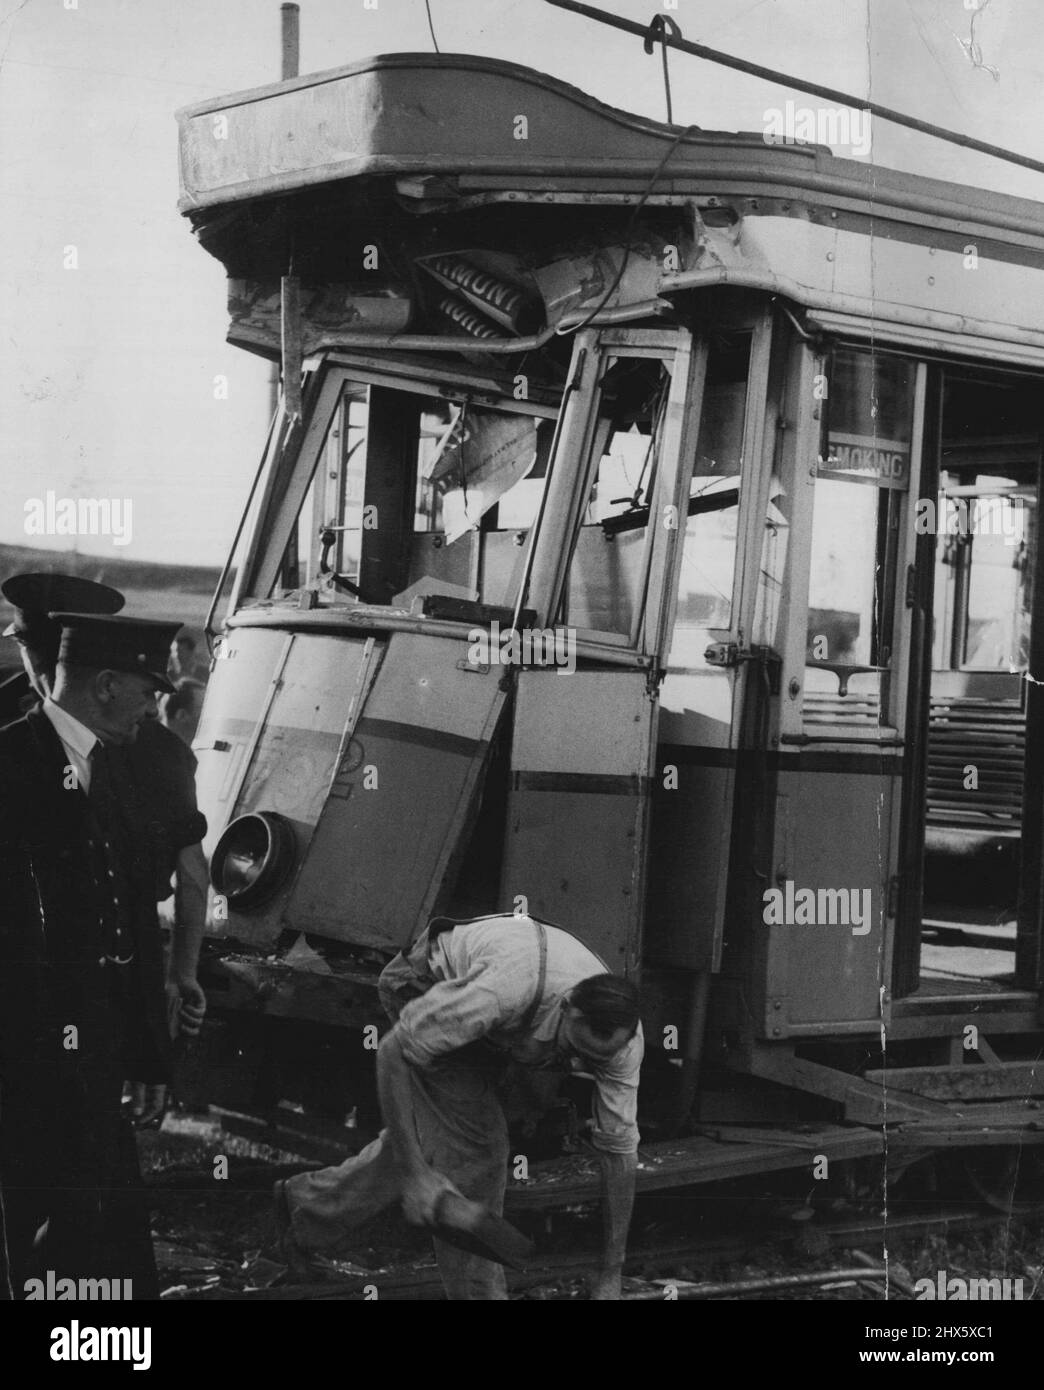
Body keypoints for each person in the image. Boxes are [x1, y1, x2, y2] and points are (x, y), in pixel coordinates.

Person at [277, 913, 643, 1300]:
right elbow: (393, 1051)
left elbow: (619, 1155)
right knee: (478, 1152)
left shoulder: (622, 1044)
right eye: (573, 1052)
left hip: (499, 1027)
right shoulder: (500, 992)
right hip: (423, 986)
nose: (580, 1068)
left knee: (440, 1137)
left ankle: (304, 1205)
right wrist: (415, 1175)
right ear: (568, 1006)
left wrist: (610, 1273)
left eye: (593, 1064)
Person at [0, 613, 182, 1299]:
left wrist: (147, 1056)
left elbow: (130, 923)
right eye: (146, 689)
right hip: (26, 1054)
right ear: (105, 684)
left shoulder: (122, 767)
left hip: (97, 1051)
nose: (154, 705)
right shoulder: (10, 764)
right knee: (42, 1229)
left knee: (108, 1228)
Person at [0, 573, 209, 1046]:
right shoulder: (162, 751)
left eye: (30, 652)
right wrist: (181, 972)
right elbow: (191, 870)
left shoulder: (39, 736)